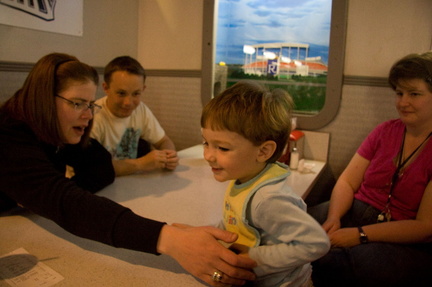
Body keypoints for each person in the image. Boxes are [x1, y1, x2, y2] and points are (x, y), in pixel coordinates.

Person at [0, 53, 257, 286]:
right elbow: (65, 201)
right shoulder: (9, 135)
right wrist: (171, 239)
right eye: (78, 103)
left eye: (90, 105)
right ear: (45, 99)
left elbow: (99, 168)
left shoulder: (56, 128)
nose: (89, 115)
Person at [308, 51, 432, 287]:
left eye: (414, 94)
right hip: (356, 210)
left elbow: (426, 227)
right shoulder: (385, 131)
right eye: (399, 93)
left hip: (401, 236)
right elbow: (347, 182)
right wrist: (335, 216)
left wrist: (359, 235)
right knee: (290, 222)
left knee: (331, 261)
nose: (402, 102)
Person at [200, 80, 330, 287]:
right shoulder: (246, 178)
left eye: (222, 148)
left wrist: (253, 257)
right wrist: (211, 237)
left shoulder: (268, 200)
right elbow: (235, 219)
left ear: (263, 151)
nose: (208, 155)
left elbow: (315, 243)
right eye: (206, 143)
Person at [90, 56, 179, 176]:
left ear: (143, 89)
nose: (128, 102)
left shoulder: (141, 109)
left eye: (136, 93)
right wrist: (141, 163)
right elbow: (93, 168)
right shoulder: (92, 116)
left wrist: (169, 156)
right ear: (106, 88)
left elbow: (163, 140)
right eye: (121, 93)